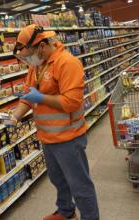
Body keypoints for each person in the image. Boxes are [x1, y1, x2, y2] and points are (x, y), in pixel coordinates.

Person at [6, 24, 99, 220]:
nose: (28, 60)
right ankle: (66, 211)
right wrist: (15, 116)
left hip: (68, 138)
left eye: (28, 53)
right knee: (58, 180)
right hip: (47, 137)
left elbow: (72, 103)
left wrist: (41, 98)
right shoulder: (37, 66)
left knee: (79, 185)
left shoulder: (68, 63)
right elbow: (27, 96)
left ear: (41, 46)